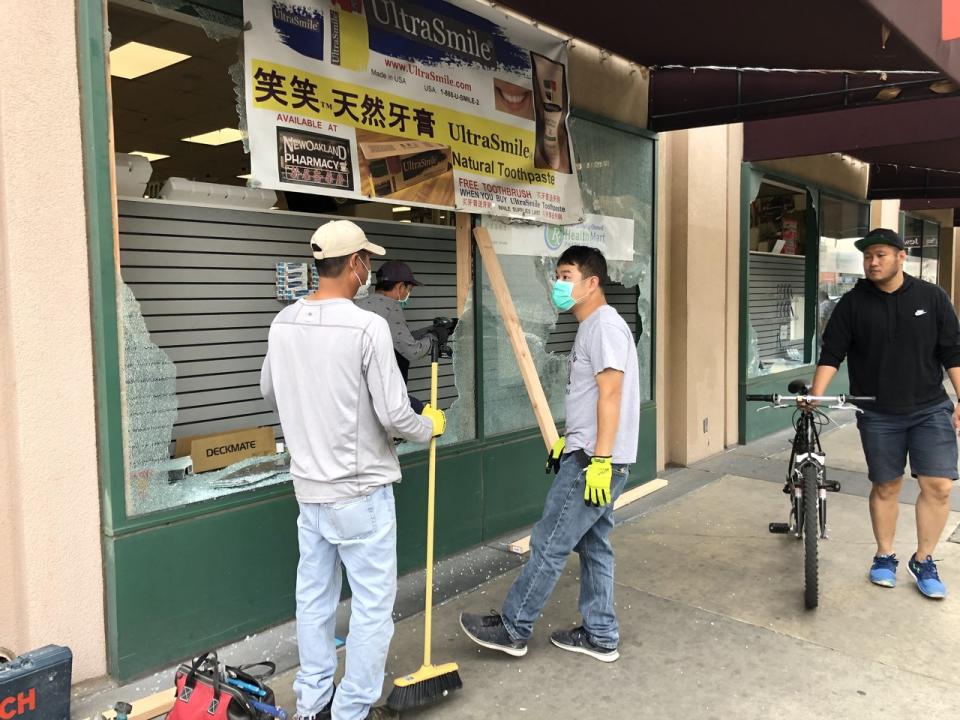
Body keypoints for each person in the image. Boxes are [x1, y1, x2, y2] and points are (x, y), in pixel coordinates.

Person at [260, 220, 446, 720]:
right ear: (355, 265)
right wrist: (428, 425)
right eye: (367, 261)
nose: (369, 270)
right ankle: (351, 710)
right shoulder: (367, 326)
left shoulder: (284, 322)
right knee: (370, 608)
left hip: (309, 491)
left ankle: (312, 702)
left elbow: (270, 392)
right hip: (360, 492)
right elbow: (392, 413)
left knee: (315, 600)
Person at [459, 245, 641, 662]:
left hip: (594, 463)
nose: (558, 285)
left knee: (549, 541)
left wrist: (598, 459)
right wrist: (570, 439)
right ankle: (601, 633)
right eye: (556, 276)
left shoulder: (604, 327)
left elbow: (611, 395)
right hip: (591, 454)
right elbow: (593, 397)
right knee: (594, 546)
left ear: (591, 282)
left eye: (566, 276)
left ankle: (514, 627)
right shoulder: (592, 327)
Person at [810, 227, 960, 599]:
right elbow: (832, 353)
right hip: (877, 412)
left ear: (900, 257)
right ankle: (884, 555)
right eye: (867, 256)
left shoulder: (932, 297)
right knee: (887, 485)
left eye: (880, 255)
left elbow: (952, 351)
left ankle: (924, 559)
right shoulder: (852, 304)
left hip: (929, 407)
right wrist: (815, 396)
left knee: (938, 486)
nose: (872, 262)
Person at [355, 260, 451, 413]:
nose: (408, 294)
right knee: (427, 417)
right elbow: (412, 351)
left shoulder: (361, 303)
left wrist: (428, 330)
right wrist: (434, 337)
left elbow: (396, 340)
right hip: (384, 395)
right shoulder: (391, 307)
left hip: (360, 390)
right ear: (400, 287)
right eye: (409, 289)